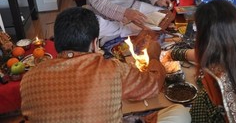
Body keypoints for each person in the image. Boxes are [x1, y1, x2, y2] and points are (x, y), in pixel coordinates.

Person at [20, 7, 191, 123]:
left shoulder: (28, 79)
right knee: (181, 113)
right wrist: (153, 56)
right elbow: (152, 85)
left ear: (56, 43)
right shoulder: (112, 69)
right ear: (95, 44)